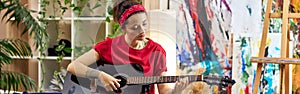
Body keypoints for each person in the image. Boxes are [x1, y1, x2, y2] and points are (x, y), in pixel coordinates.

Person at [67, 0, 189, 93]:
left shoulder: (156, 51)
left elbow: (163, 90)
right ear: (123, 28)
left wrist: (177, 90)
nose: (142, 30)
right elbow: (73, 66)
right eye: (135, 27)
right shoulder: (108, 46)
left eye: (144, 24)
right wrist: (100, 75)